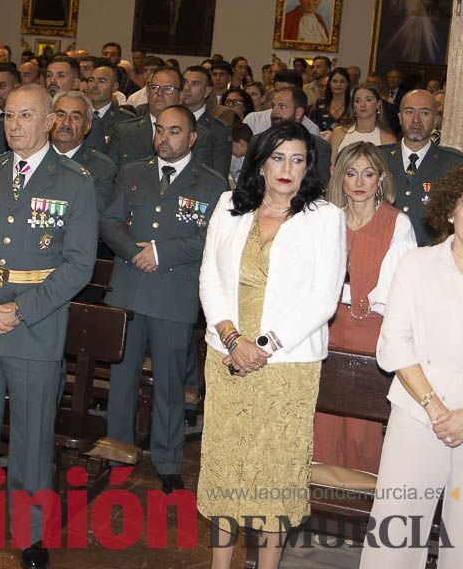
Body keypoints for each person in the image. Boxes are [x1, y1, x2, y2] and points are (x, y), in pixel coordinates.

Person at [0, 84, 98, 569]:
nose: (14, 124)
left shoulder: (74, 181)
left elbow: (78, 265)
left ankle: (32, 531)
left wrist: (21, 311)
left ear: (49, 121)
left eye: (26, 115)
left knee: (32, 435)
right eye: (8, 115)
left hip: (34, 326)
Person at [197, 122, 346, 569]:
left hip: (287, 365)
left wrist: (260, 346)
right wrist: (232, 338)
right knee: (226, 468)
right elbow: (208, 277)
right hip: (226, 356)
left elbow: (324, 298)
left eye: (298, 160)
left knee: (275, 474)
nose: (287, 168)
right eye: (278, 157)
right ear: (261, 163)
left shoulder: (325, 217)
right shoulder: (229, 205)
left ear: (308, 167)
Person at [102, 105, 226, 493]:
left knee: (170, 384)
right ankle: (117, 452)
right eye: (160, 130)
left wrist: (160, 252)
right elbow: (109, 222)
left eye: (174, 131)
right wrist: (133, 251)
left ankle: (168, 461)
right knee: (122, 379)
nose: (164, 138)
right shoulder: (132, 172)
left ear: (192, 138)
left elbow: (213, 239)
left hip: (174, 294)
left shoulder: (212, 184)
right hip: (129, 287)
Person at [361, 167, 463, 569]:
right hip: (418, 414)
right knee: (395, 541)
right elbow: (394, 343)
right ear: (451, 210)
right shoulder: (417, 264)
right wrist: (435, 408)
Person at [310, 142, 416, 474]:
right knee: (322, 422)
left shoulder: (397, 223)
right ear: (340, 177)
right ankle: (318, 495)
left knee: (362, 431)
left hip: (371, 334)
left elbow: (398, 293)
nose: (359, 182)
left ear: (381, 179)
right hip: (325, 331)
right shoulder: (326, 219)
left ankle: (362, 495)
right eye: (351, 173)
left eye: (368, 174)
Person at [379, 89, 463, 245]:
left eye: (424, 113)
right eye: (409, 112)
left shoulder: (454, 164)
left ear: (435, 119)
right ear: (400, 118)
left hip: (432, 254)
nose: (416, 120)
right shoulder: (378, 158)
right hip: (383, 250)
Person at [51, 90, 117, 213]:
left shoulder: (102, 168)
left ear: (87, 127)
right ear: (49, 121)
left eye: (75, 117)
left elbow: (91, 213)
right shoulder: (34, 158)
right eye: (60, 115)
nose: (66, 122)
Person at [254, 86, 331, 187]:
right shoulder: (257, 142)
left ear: (298, 113)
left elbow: (318, 188)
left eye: (282, 107)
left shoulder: (319, 148)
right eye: (273, 106)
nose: (274, 112)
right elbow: (246, 184)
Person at [181, 65, 232, 178]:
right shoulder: (167, 120)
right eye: (184, 82)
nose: (187, 88)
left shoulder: (218, 130)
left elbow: (219, 177)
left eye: (195, 84)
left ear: (207, 91)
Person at [329, 84, 397, 161]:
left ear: (378, 104)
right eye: (357, 101)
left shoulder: (388, 140)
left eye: (368, 100)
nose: (362, 105)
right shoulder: (338, 133)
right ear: (353, 106)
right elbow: (331, 165)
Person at [310, 67, 352, 133]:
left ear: (347, 84)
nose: (338, 84)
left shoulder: (353, 104)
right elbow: (311, 128)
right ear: (329, 83)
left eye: (342, 81)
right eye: (335, 81)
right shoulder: (319, 104)